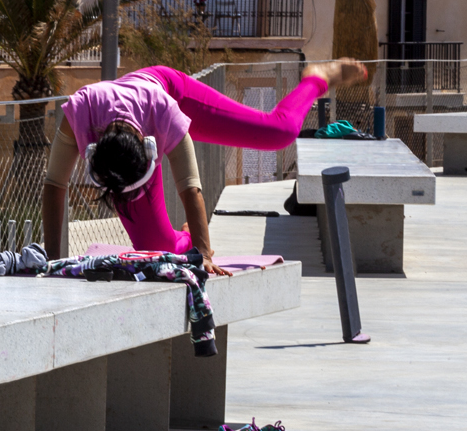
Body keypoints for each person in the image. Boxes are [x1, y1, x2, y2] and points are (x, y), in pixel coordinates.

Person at [41, 60, 368, 276]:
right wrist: (53, 262)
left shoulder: (164, 114)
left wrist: (203, 255)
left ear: (151, 151)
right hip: (122, 137)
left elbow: (190, 186)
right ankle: (181, 236)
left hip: (171, 91)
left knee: (278, 132)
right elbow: (55, 185)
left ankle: (317, 79)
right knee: (157, 252)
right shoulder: (78, 113)